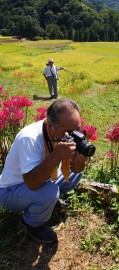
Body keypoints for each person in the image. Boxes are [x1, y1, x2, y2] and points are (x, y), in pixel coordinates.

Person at [0, 99, 88, 244]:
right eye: (69, 132)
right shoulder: (29, 138)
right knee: (50, 191)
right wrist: (56, 156)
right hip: (10, 190)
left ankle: (46, 202)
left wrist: (79, 163)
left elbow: (75, 169)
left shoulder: (58, 133)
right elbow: (32, 183)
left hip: (39, 180)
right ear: (51, 126)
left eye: (78, 129)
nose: (75, 136)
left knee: (75, 174)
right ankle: (32, 224)